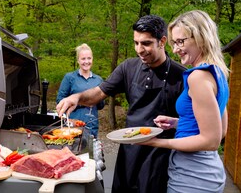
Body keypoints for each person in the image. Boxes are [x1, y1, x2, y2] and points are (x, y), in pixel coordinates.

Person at [57, 15, 186, 192]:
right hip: (130, 149)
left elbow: (193, 122)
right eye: (136, 43)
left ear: (162, 41)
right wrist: (77, 97)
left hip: (160, 154)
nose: (139, 49)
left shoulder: (182, 75)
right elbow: (99, 93)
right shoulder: (128, 67)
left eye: (146, 43)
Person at [138, 10, 230, 193]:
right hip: (207, 172)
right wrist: (177, 124)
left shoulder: (197, 77)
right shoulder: (217, 72)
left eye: (181, 41)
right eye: (174, 43)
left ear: (201, 37)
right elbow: (220, 130)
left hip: (192, 176)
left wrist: (157, 142)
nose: (175, 49)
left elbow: (211, 140)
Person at [56, 43, 105, 138]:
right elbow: (60, 101)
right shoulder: (69, 78)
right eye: (83, 59)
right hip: (73, 127)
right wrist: (83, 101)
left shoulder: (98, 80)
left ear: (92, 59)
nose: (86, 61)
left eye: (89, 58)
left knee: (91, 152)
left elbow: (101, 105)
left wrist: (99, 98)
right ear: (78, 60)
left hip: (92, 127)